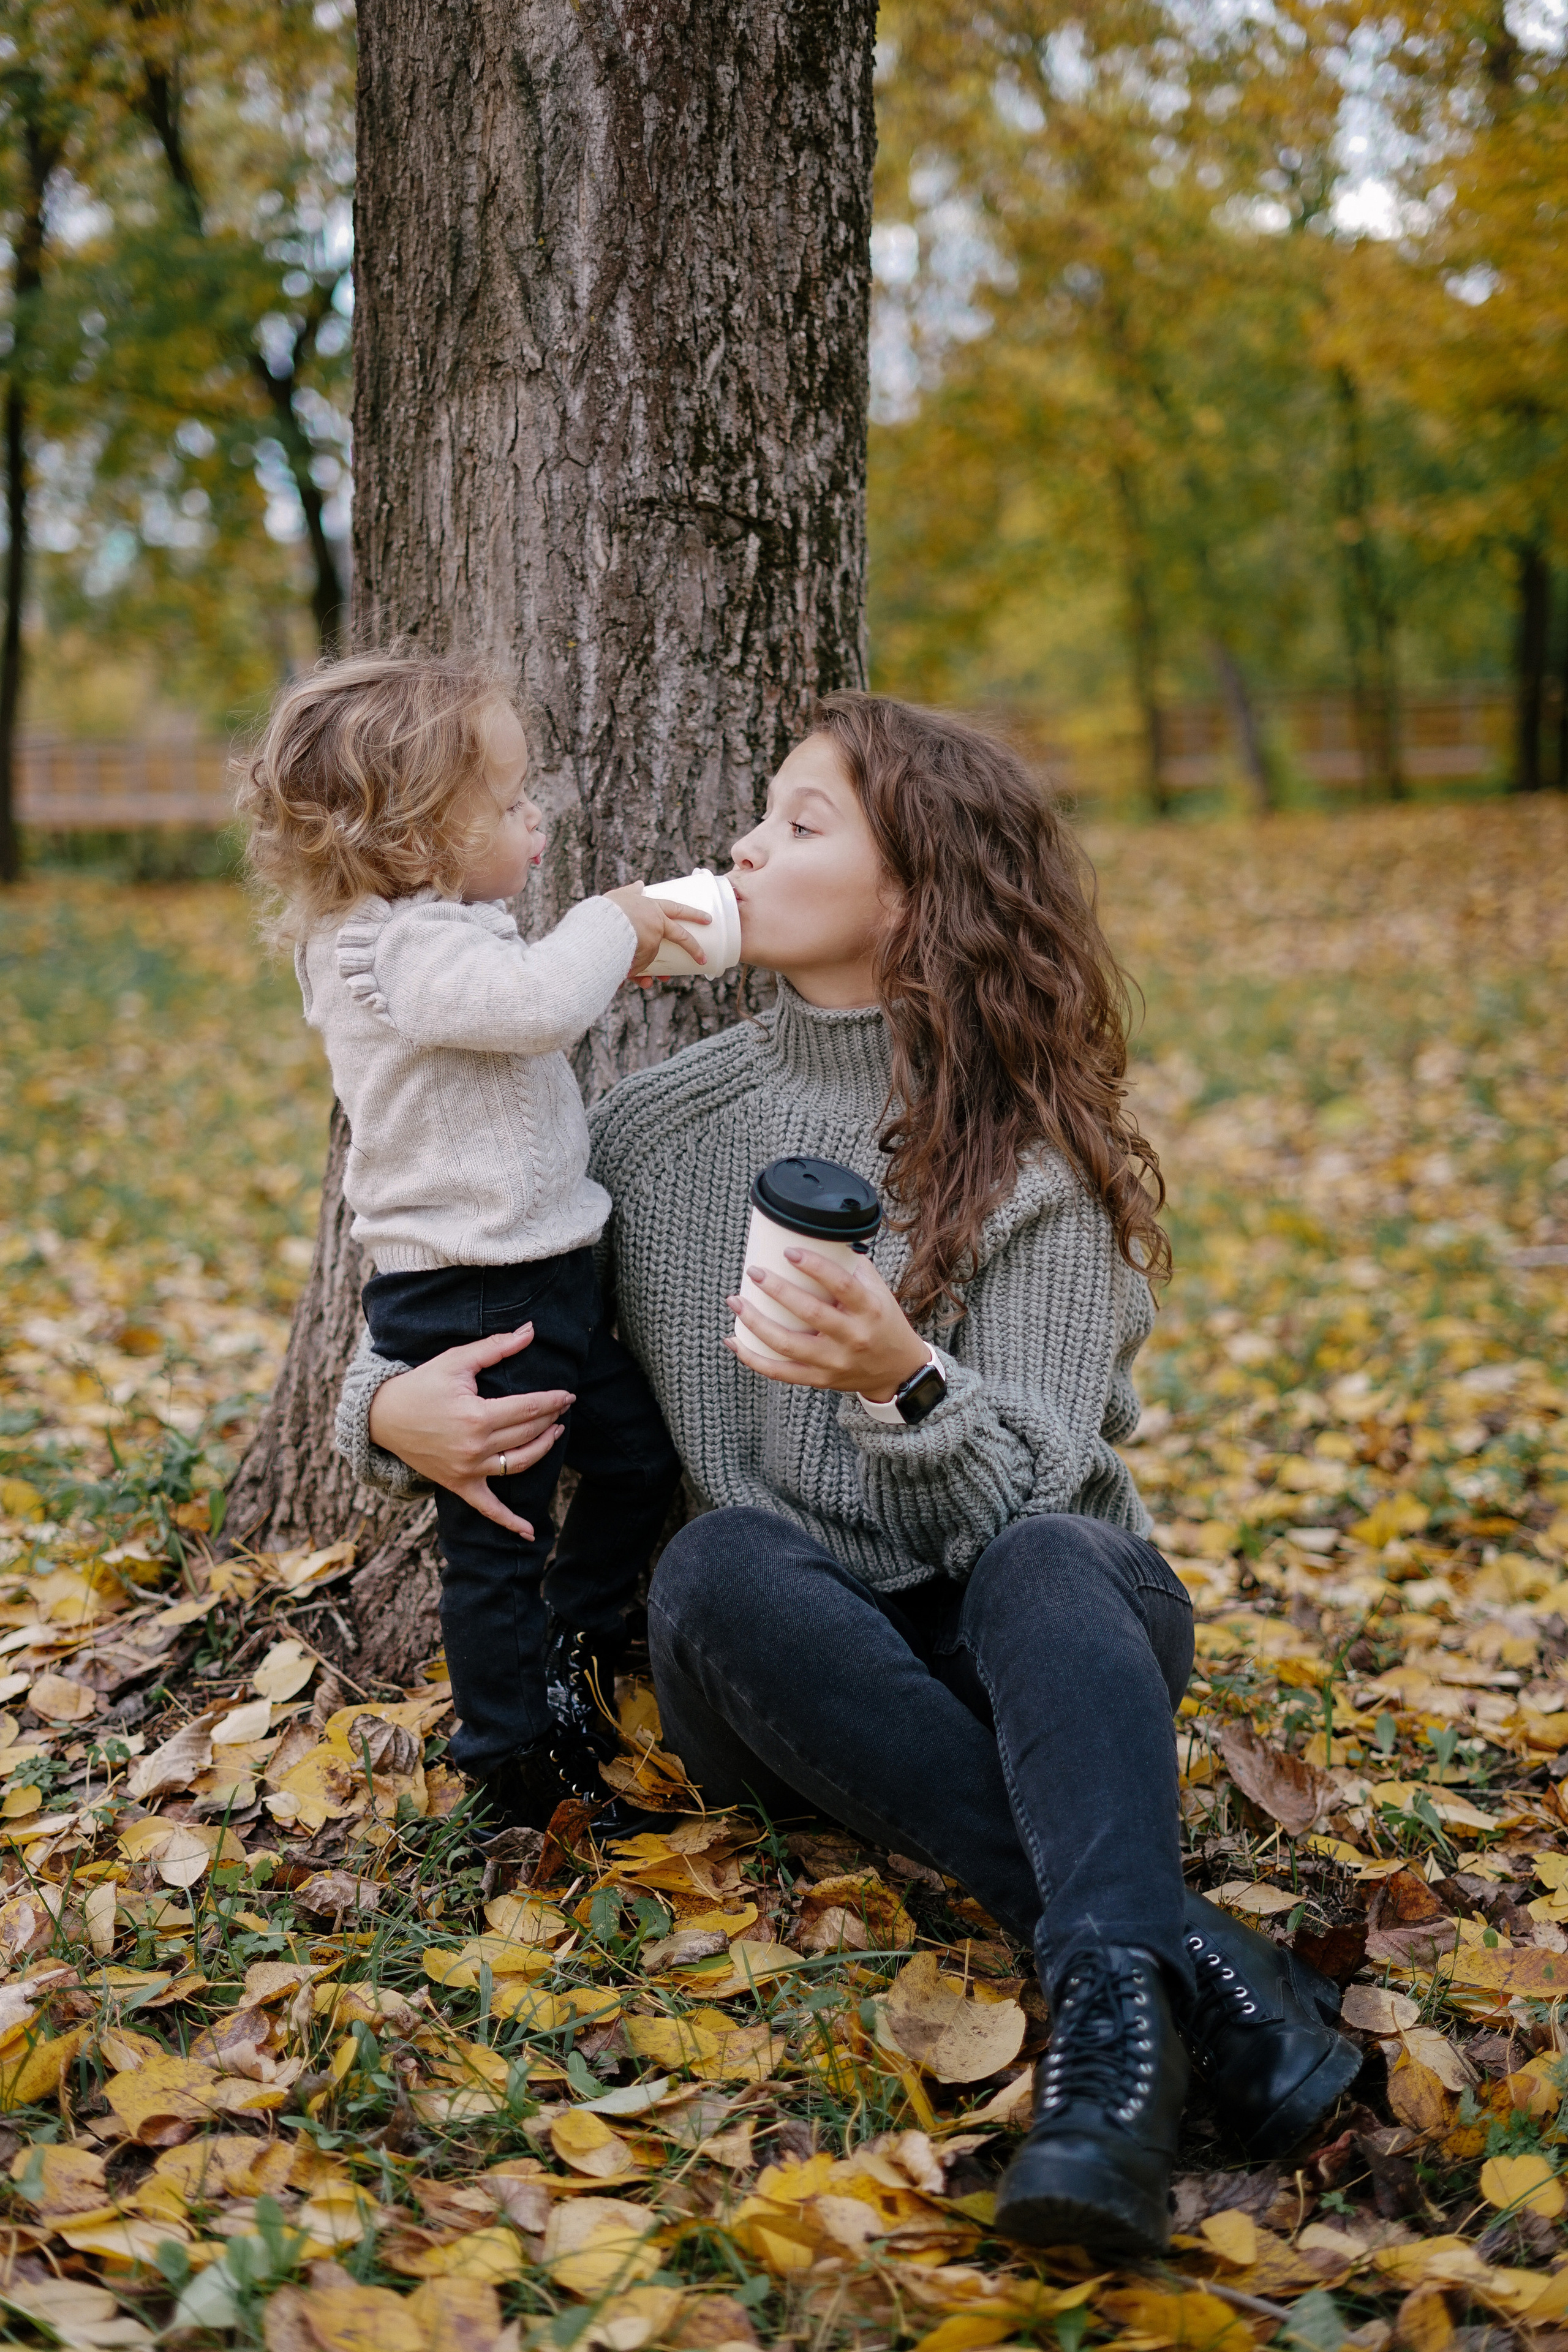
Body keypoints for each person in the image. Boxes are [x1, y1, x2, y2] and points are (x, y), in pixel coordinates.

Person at [336, 691, 1362, 2258]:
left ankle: (1107, 2062)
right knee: (717, 1564)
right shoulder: (654, 1128)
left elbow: (1048, 1495)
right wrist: (383, 1406)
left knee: (1044, 1563)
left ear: (914, 890)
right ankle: (1195, 1958)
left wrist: (901, 1376)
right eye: (758, 813)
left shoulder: (1030, 1159)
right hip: (785, 1677)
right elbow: (465, 1272)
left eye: (800, 823)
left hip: (1043, 1653)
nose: (744, 844)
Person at [238, 649, 705, 1831]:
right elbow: (539, 1002)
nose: (532, 815)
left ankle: (579, 1652)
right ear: (413, 837)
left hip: (539, 1281)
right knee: (495, 1536)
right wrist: (613, 921)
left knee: (638, 1459)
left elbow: (524, 998)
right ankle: (514, 1765)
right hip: (472, 1296)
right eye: (503, 803)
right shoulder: (394, 949)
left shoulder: (441, 938)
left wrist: (602, 960)